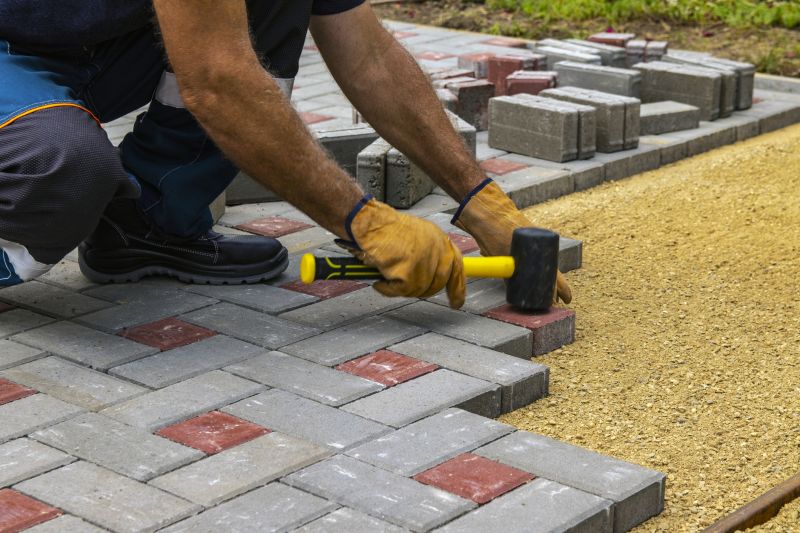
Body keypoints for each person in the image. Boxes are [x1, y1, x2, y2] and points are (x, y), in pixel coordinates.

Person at [0, 0, 571, 308]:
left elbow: (369, 55)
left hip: (92, 40)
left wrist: (479, 198)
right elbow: (218, 83)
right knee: (65, 171)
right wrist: (365, 221)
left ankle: (150, 224)